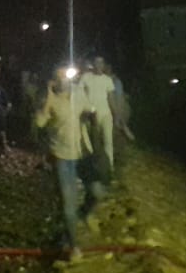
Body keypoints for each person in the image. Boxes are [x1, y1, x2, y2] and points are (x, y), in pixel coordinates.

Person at [34, 67, 100, 258]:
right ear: (54, 81)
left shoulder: (78, 94)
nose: (65, 81)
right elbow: (39, 123)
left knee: (97, 191)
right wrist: (47, 99)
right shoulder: (49, 100)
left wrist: (92, 117)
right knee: (69, 206)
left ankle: (84, 214)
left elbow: (90, 110)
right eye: (60, 78)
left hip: (82, 154)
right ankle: (73, 246)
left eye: (67, 77)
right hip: (62, 159)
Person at [81, 57, 116, 175]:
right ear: (93, 64)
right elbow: (80, 93)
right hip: (91, 116)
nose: (99, 64)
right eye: (96, 62)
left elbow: (111, 98)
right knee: (91, 143)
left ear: (103, 65)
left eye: (101, 62)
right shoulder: (86, 77)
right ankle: (93, 167)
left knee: (108, 141)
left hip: (105, 114)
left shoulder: (107, 80)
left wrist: (116, 114)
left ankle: (110, 167)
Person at [103, 62, 136, 142]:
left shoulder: (116, 81)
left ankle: (122, 123)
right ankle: (122, 125)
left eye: (108, 68)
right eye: (106, 68)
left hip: (117, 108)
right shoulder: (102, 80)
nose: (107, 69)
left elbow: (119, 97)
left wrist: (117, 115)